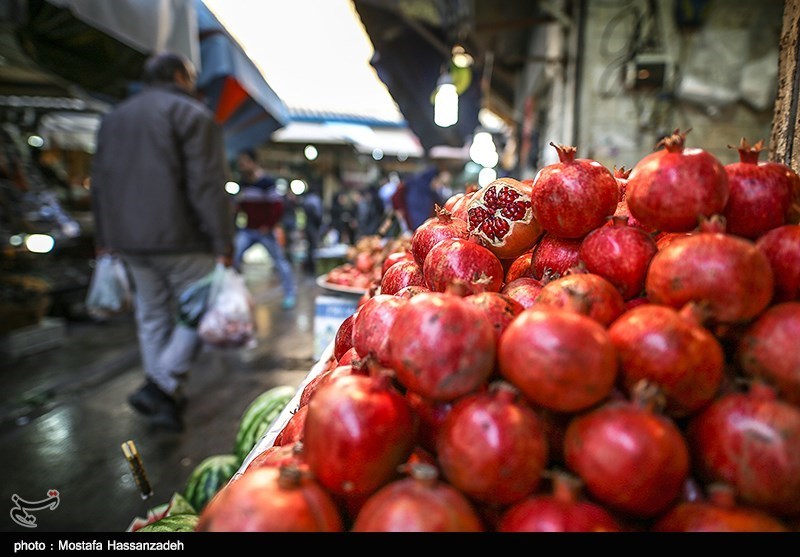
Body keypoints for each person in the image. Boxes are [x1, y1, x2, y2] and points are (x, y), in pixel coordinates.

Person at [89, 52, 235, 432]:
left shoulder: (114, 118)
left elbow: (100, 185)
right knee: (204, 305)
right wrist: (223, 242)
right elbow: (207, 187)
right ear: (178, 76)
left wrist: (104, 238)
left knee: (152, 315)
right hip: (181, 236)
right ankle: (162, 385)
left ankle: (165, 398)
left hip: (127, 240)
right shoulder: (191, 114)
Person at [232, 149, 297, 309]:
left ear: (254, 162)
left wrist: (268, 226)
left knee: (280, 261)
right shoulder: (243, 183)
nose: (242, 165)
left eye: (245, 162)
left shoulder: (267, 182)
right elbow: (241, 206)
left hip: (265, 231)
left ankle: (290, 293)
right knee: (233, 256)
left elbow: (277, 208)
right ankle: (232, 293)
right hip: (249, 229)